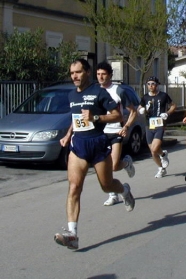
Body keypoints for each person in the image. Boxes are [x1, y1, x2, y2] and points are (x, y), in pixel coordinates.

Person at [54, 59, 135, 250]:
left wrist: (96, 117)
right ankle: (72, 234)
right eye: (72, 72)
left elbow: (118, 115)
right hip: (79, 146)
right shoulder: (72, 95)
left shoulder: (99, 92)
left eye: (78, 72)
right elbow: (76, 119)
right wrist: (67, 136)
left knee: (107, 186)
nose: (74, 76)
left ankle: (124, 191)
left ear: (87, 72)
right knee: (74, 187)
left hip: (98, 143)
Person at [96, 61, 137, 207]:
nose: (101, 77)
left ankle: (126, 162)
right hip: (100, 132)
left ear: (110, 75)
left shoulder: (118, 91)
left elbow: (133, 111)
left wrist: (126, 126)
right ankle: (113, 194)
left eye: (104, 74)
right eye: (98, 74)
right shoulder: (94, 90)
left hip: (116, 131)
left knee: (113, 165)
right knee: (102, 166)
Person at [137, 76, 176, 178]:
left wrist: (167, 113)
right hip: (149, 125)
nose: (151, 86)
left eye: (153, 84)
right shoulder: (145, 97)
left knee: (155, 149)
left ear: (157, 85)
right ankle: (161, 167)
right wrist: (141, 110)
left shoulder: (163, 96)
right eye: (149, 84)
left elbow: (173, 106)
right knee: (153, 152)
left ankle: (163, 155)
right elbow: (140, 107)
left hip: (160, 124)